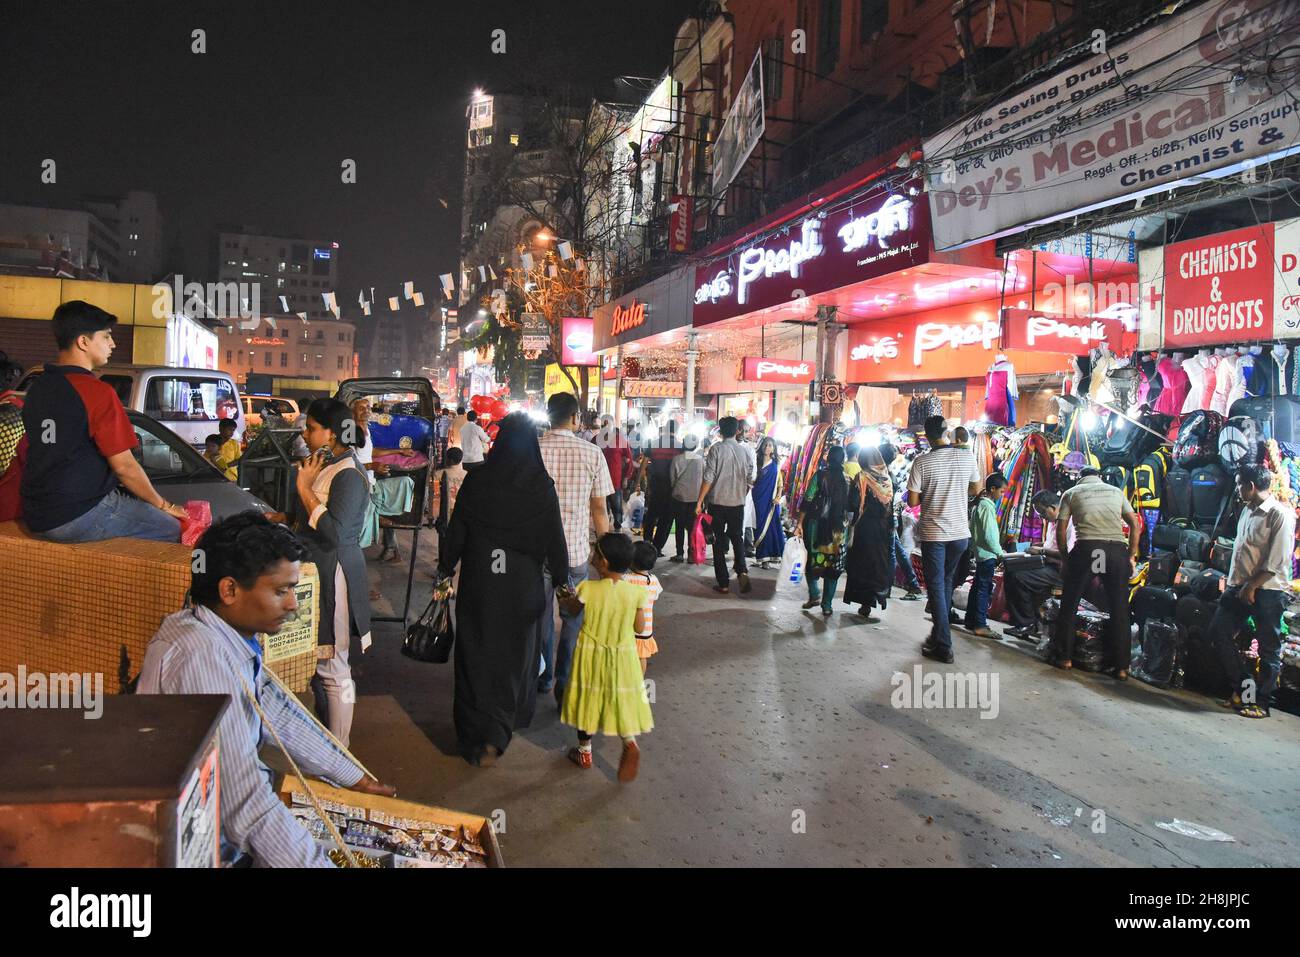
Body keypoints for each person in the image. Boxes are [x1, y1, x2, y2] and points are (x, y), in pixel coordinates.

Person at [136, 512, 396, 867]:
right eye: (281, 590)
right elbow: (244, 803)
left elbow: (275, 709)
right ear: (229, 590)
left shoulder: (220, 632)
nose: (293, 604)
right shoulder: (200, 657)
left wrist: (352, 777)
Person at [437, 413, 570, 764]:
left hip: (482, 582)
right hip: (522, 586)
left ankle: (473, 734)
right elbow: (555, 541)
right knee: (513, 658)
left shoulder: (478, 482)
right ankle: (500, 729)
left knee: (476, 655)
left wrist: (444, 569)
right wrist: (562, 581)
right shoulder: (541, 486)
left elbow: (458, 532)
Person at [20, 300, 185, 542]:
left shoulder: (38, 387)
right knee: (173, 529)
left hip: (36, 512)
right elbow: (125, 467)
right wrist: (165, 505)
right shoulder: (96, 392)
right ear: (83, 341)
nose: (113, 344)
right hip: (78, 513)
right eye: (106, 336)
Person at [294, 398, 373, 746]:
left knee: (335, 667)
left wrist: (305, 491)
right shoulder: (326, 464)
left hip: (336, 574)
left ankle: (341, 753)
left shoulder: (350, 475)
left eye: (311, 428)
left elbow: (337, 532)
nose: (305, 433)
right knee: (321, 664)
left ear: (330, 434)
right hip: (318, 571)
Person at [558, 532, 654, 782]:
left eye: (596, 555)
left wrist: (564, 598)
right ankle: (630, 742)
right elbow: (640, 628)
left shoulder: (588, 589)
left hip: (591, 655)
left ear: (605, 563)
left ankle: (584, 752)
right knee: (619, 701)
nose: (592, 559)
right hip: (622, 657)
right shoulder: (634, 594)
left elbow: (572, 608)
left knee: (587, 701)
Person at [539, 391, 614, 702]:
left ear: (549, 416)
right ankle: (564, 680)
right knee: (573, 618)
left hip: (538, 551)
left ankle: (542, 676)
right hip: (575, 553)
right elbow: (599, 509)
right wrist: (606, 551)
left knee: (541, 616)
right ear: (574, 418)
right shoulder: (592, 453)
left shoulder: (534, 449)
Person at [1210, 464, 1294, 719]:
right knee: (1218, 633)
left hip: (1268, 591)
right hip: (1240, 587)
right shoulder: (1246, 511)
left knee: (1269, 649)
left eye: (1239, 485)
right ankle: (1244, 689)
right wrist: (1236, 582)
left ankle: (1261, 703)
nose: (1237, 490)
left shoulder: (1280, 515)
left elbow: (1276, 561)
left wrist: (1252, 586)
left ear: (1251, 486)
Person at [1050, 465, 1139, 677]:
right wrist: (1131, 556)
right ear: (1099, 477)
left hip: (1088, 550)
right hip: (1115, 550)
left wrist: (1064, 557)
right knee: (1119, 609)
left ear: (1080, 478)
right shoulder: (1116, 492)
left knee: (1070, 604)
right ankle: (1122, 667)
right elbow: (1134, 524)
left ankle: (1065, 658)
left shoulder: (1071, 493)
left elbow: (1061, 529)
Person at [907, 415, 981, 663]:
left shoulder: (922, 462)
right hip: (960, 534)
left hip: (935, 534)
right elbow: (976, 489)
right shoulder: (967, 457)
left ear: (926, 436)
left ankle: (943, 644)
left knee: (936, 587)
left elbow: (913, 502)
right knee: (945, 583)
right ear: (947, 432)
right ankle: (937, 635)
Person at [350, 397, 415, 565]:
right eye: (361, 408)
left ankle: (388, 535)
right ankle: (380, 521)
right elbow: (347, 463)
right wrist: (372, 466)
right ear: (353, 412)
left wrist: (400, 451)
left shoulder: (366, 429)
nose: (365, 410)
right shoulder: (350, 431)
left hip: (371, 481)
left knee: (405, 482)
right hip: (360, 485)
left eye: (368, 407)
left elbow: (372, 451)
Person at [696, 416, 755, 594]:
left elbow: (708, 477)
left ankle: (723, 583)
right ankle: (742, 569)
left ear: (720, 431)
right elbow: (750, 479)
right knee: (737, 537)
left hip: (717, 502)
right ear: (737, 431)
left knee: (718, 541)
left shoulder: (717, 449)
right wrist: (741, 494)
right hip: (737, 503)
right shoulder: (745, 451)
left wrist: (699, 501)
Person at [1002, 491, 1070, 640]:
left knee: (1019, 577)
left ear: (1053, 508)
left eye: (1041, 512)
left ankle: (1027, 624)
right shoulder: (1053, 522)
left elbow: (1067, 554)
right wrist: (1036, 547)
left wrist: (1042, 550)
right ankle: (1023, 622)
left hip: (1060, 571)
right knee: (1010, 569)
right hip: (1047, 564)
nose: (1040, 517)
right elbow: (1051, 544)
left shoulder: (1068, 523)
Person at [799, 445, 856, 616]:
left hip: (817, 526)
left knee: (812, 560)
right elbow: (853, 507)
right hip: (839, 530)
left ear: (828, 458)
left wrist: (799, 523)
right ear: (843, 460)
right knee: (834, 566)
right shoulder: (848, 479)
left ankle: (814, 593)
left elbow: (808, 499)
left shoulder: (820, 475)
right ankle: (827, 604)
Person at [843, 445, 894, 620]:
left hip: (864, 527)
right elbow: (891, 507)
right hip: (883, 527)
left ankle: (865, 603)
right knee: (877, 563)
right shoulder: (887, 479)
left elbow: (853, 503)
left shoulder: (862, 477)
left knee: (861, 564)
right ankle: (877, 595)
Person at [964, 472, 1008, 639]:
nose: (1002, 495)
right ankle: (980, 624)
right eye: (1002, 492)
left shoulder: (979, 505)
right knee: (984, 589)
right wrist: (1000, 553)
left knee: (977, 587)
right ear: (993, 489)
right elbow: (989, 536)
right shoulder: (987, 506)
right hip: (987, 554)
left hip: (981, 553)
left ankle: (971, 620)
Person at [642, 421, 680, 554]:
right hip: (672, 487)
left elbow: (644, 464)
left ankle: (647, 542)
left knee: (652, 514)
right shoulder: (680, 447)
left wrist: (638, 483)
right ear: (677, 430)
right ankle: (657, 547)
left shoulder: (654, 443)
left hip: (655, 485)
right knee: (666, 518)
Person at [668, 434, 705, 562]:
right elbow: (705, 479)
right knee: (692, 527)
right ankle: (691, 554)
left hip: (679, 497)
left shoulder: (676, 459)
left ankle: (679, 554)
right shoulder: (700, 460)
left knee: (679, 526)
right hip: (695, 499)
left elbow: (672, 480)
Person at [751, 436, 786, 568]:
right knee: (758, 528)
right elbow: (752, 480)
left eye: (770, 445)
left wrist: (778, 496)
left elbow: (780, 484)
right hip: (757, 499)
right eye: (765, 445)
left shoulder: (776, 464)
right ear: (761, 447)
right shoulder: (757, 462)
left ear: (774, 448)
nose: (767, 448)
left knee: (770, 528)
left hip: (770, 502)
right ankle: (761, 557)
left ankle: (768, 558)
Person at [596, 415, 634, 532]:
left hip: (615, 480)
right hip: (598, 481)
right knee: (600, 507)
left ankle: (618, 530)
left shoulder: (620, 440)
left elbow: (629, 459)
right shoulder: (596, 440)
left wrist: (626, 477)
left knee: (617, 507)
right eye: (603, 424)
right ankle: (603, 530)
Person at [630, 540, 662, 676]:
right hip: (646, 627)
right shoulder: (654, 580)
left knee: (628, 654)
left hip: (630, 626)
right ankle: (639, 680)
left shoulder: (627, 579)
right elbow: (655, 596)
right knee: (641, 656)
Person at [432, 446, 466, 529]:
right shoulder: (466, 474)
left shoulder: (438, 474)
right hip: (462, 509)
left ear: (450, 460)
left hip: (445, 509)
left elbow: (434, 494)